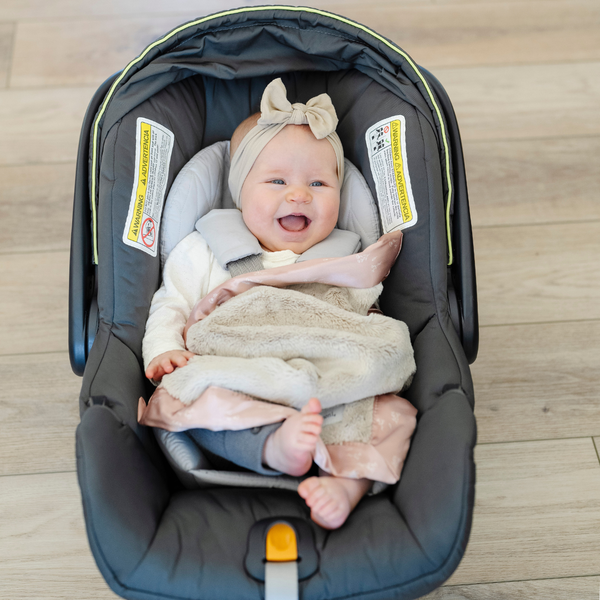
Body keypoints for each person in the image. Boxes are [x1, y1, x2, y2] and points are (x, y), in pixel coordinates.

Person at [143, 79, 386, 529]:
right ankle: (274, 447)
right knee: (202, 402)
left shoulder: (348, 256)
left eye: (318, 182)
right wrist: (163, 349)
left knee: (391, 413)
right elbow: (172, 302)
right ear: (239, 192)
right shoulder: (207, 248)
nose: (298, 194)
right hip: (241, 373)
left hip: (325, 379)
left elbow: (363, 318)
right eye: (277, 181)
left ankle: (345, 484)